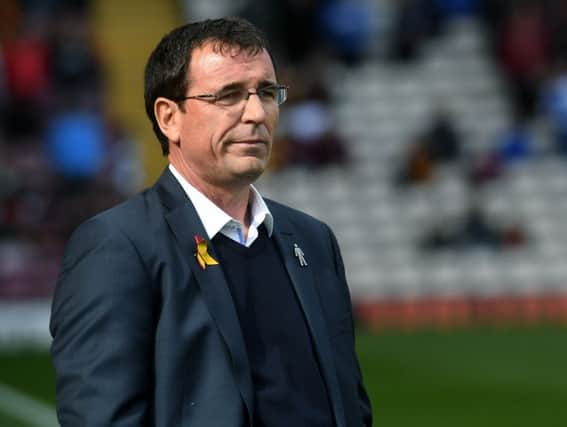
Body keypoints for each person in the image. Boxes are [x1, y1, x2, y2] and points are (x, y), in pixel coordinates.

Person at [50, 17, 372, 427]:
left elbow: (350, 405)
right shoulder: (117, 246)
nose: (256, 113)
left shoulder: (313, 240)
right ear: (169, 118)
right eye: (229, 95)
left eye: (268, 93)